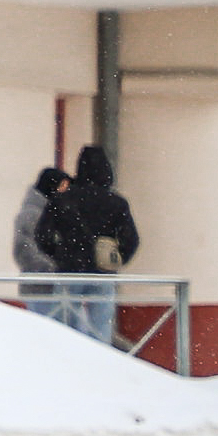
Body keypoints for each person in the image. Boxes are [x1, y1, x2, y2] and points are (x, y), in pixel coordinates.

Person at [35, 145, 140, 346]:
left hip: (69, 270)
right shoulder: (116, 203)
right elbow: (131, 240)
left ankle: (67, 363)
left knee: (64, 329)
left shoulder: (62, 200)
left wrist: (59, 254)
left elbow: (43, 235)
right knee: (100, 328)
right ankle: (98, 366)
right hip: (102, 271)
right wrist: (117, 258)